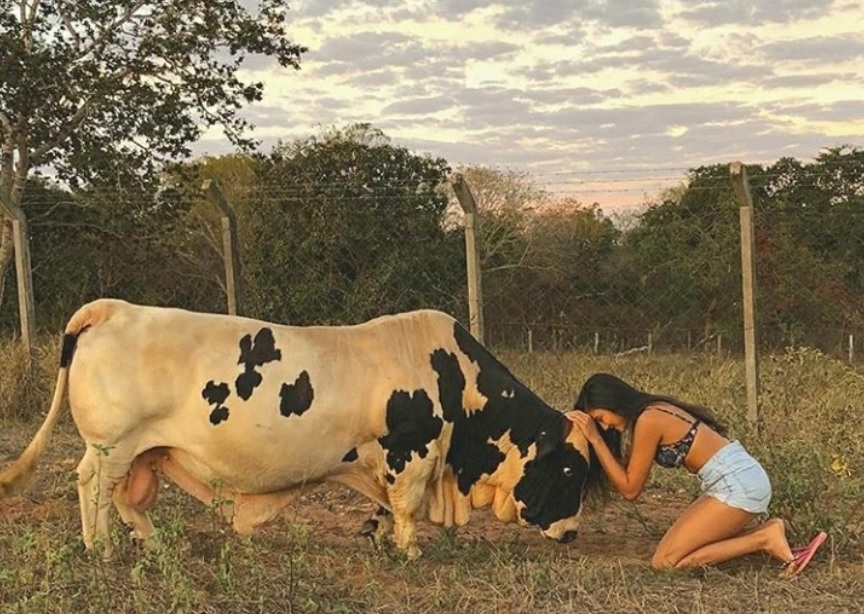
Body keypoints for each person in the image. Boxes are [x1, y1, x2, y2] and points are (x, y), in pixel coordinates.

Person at [566, 372, 826, 575]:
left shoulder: (649, 420)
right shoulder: (653, 410)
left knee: (665, 562)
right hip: (734, 478)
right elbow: (629, 472)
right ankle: (769, 530)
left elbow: (630, 489)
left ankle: (764, 538)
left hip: (737, 485)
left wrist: (596, 440)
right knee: (675, 551)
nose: (604, 426)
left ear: (614, 402)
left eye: (600, 418)